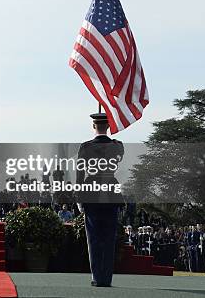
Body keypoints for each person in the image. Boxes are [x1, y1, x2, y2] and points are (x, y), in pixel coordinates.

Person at [76, 112, 124, 287]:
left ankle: (97, 277)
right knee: (109, 239)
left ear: (93, 126)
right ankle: (107, 278)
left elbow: (80, 174)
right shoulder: (118, 146)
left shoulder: (85, 147)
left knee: (94, 239)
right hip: (111, 191)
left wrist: (79, 198)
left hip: (91, 193)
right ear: (109, 126)